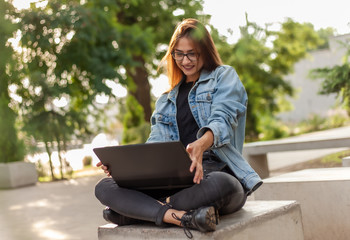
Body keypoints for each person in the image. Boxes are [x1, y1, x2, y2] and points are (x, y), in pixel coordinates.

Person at [95, 18, 262, 238]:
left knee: (226, 185)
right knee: (104, 187)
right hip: (176, 182)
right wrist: (123, 168)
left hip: (215, 173)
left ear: (205, 51)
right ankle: (180, 216)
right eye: (179, 54)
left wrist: (201, 145)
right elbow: (155, 146)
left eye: (192, 53)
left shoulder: (224, 76)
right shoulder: (166, 100)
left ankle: (135, 213)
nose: (186, 60)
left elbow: (224, 119)